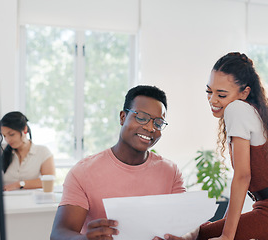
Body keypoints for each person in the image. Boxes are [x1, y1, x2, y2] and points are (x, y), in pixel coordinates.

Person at [158, 52, 268, 240]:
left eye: (221, 94)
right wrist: (223, 229)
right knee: (200, 234)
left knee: (198, 236)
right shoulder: (253, 110)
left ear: (244, 92)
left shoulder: (237, 109)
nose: (212, 100)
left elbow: (243, 176)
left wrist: (227, 236)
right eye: (209, 91)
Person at [50, 85, 186, 240]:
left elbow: (185, 225)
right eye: (141, 117)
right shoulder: (83, 171)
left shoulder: (171, 172)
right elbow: (59, 234)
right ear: (122, 117)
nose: (150, 128)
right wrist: (85, 239)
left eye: (158, 123)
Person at [0, 111, 55, 191]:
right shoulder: (1, 151)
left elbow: (49, 181)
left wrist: (19, 184)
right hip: (5, 200)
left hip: (31, 200)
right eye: (4, 136)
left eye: (11, 134)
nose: (8, 140)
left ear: (25, 129)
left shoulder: (43, 152)